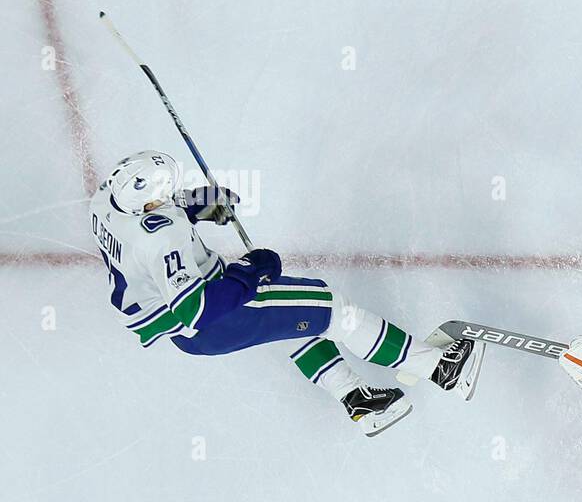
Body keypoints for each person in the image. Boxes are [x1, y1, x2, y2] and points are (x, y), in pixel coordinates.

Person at [88, 151, 482, 436]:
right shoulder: (162, 238)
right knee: (330, 309)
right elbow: (197, 308)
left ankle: (362, 401)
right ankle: (440, 368)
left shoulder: (105, 201)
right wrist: (251, 272)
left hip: (185, 330)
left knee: (296, 322)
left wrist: (198, 206)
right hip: (212, 316)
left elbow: (157, 214)